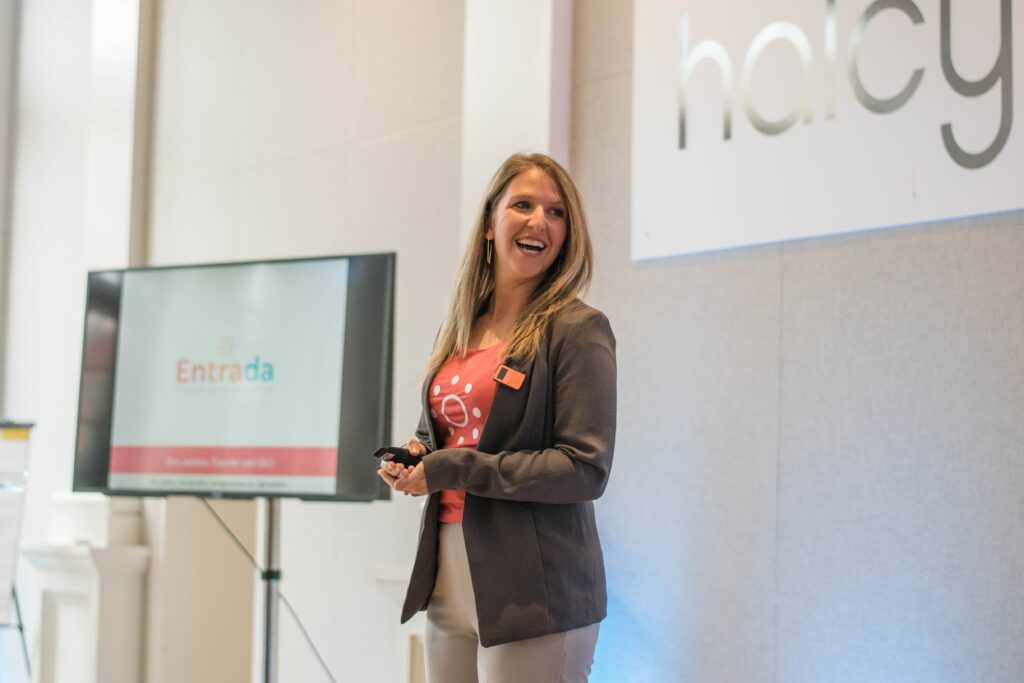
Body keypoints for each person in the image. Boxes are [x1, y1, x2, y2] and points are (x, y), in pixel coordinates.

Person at [378, 152, 616, 683]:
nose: (539, 222)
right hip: (448, 575)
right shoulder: (462, 325)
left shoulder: (577, 329)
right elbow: (444, 431)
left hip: (534, 587)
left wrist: (455, 467)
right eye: (524, 205)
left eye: (556, 212)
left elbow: (584, 468)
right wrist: (418, 458)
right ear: (490, 223)